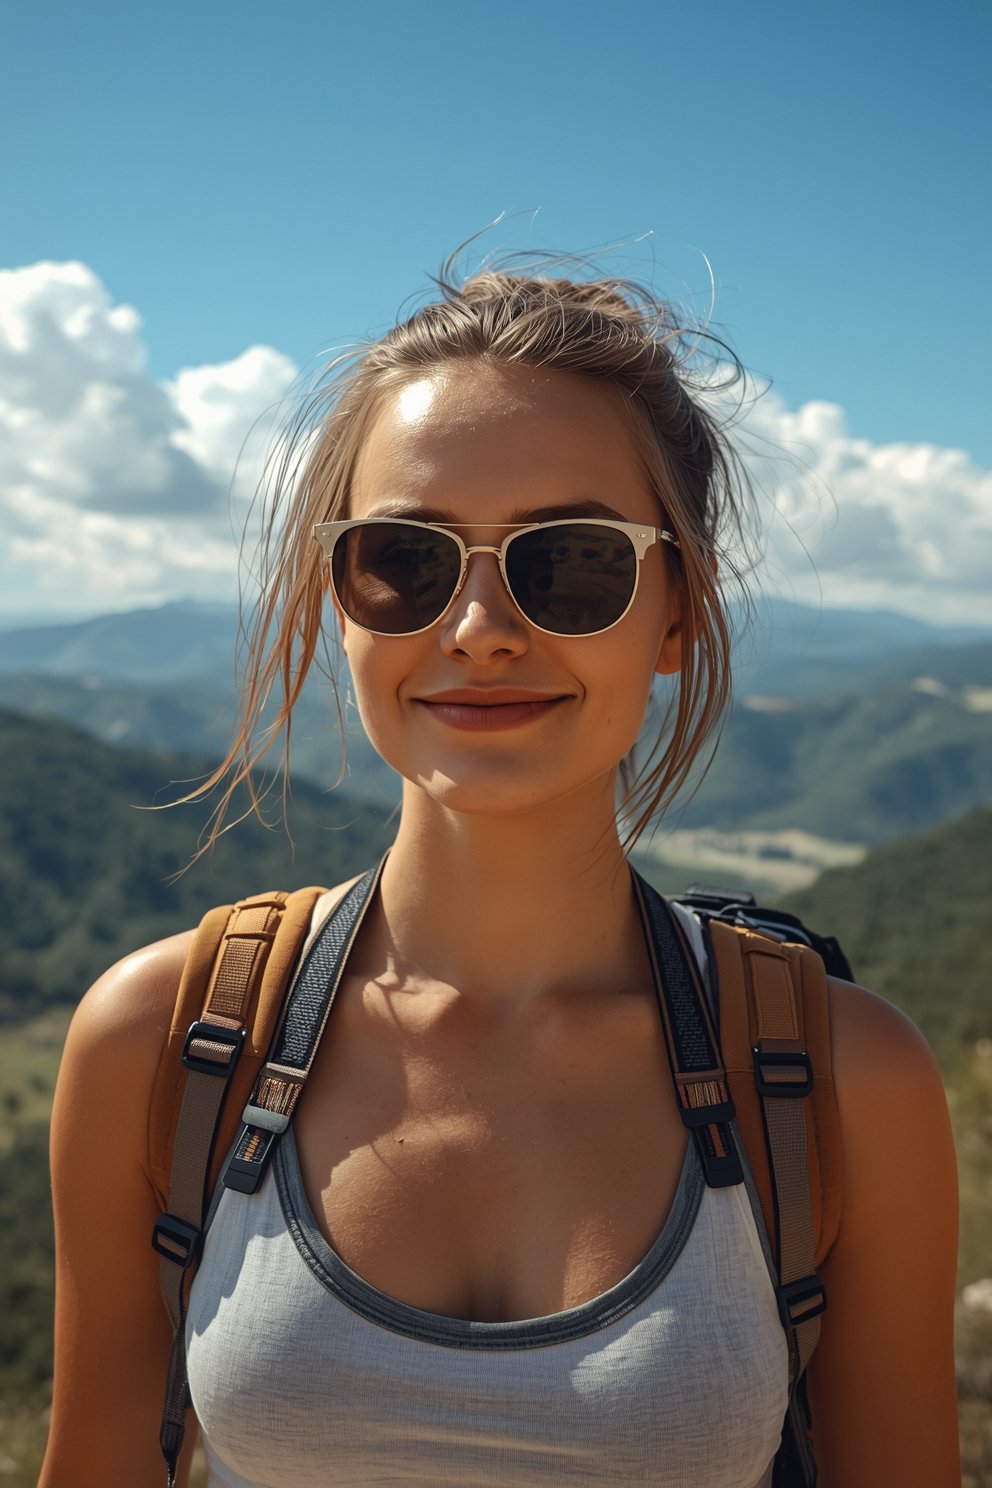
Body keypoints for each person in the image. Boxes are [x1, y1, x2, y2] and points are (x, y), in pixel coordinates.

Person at [42, 263, 960, 1487]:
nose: (476, 625)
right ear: (341, 605)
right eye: (405, 561)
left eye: (571, 562)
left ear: (675, 611)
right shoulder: (166, 1041)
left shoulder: (841, 1080)